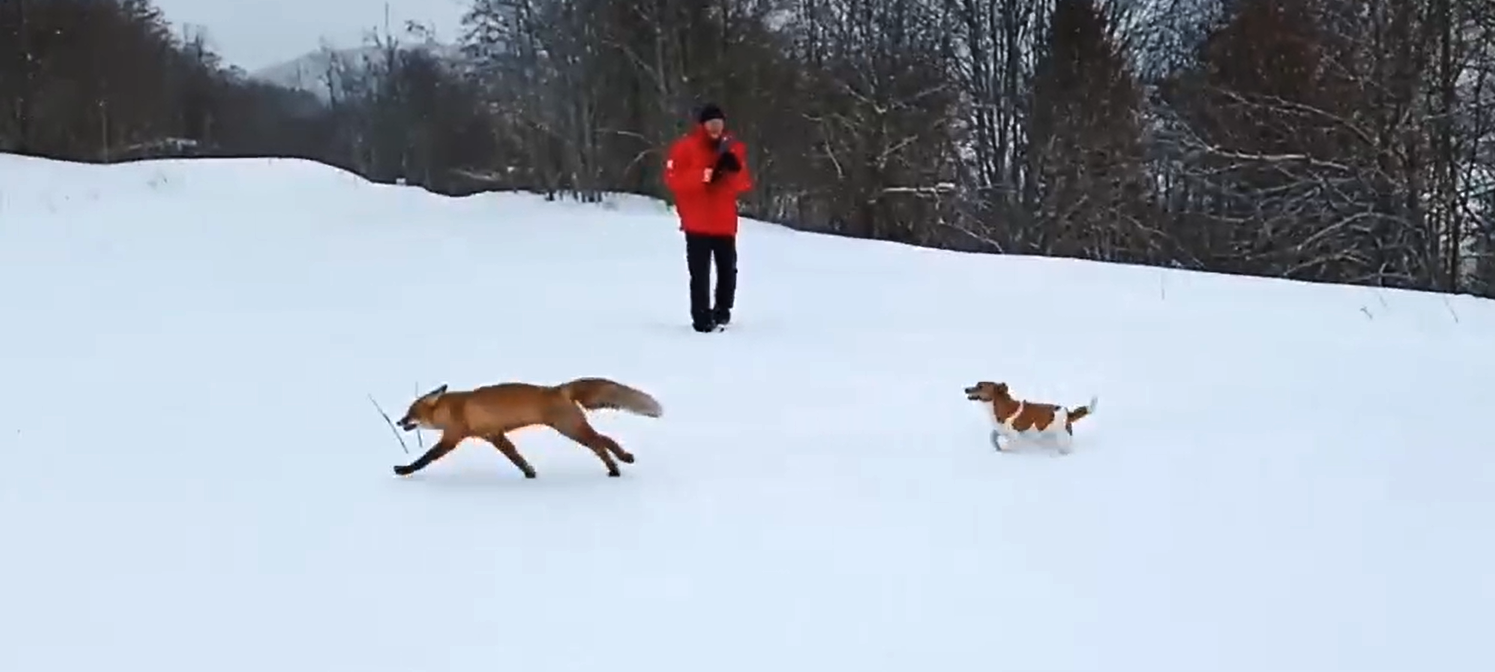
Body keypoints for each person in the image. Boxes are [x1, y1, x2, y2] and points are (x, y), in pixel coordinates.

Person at [663, 102, 752, 332]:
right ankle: (701, 318)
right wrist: (704, 176)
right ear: (702, 125)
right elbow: (673, 179)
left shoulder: (733, 147)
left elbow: (744, 184)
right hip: (697, 223)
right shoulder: (685, 147)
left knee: (727, 271)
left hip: (724, 222)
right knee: (700, 274)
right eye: (711, 123)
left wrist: (734, 171)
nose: (715, 127)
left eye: (719, 123)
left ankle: (723, 313)